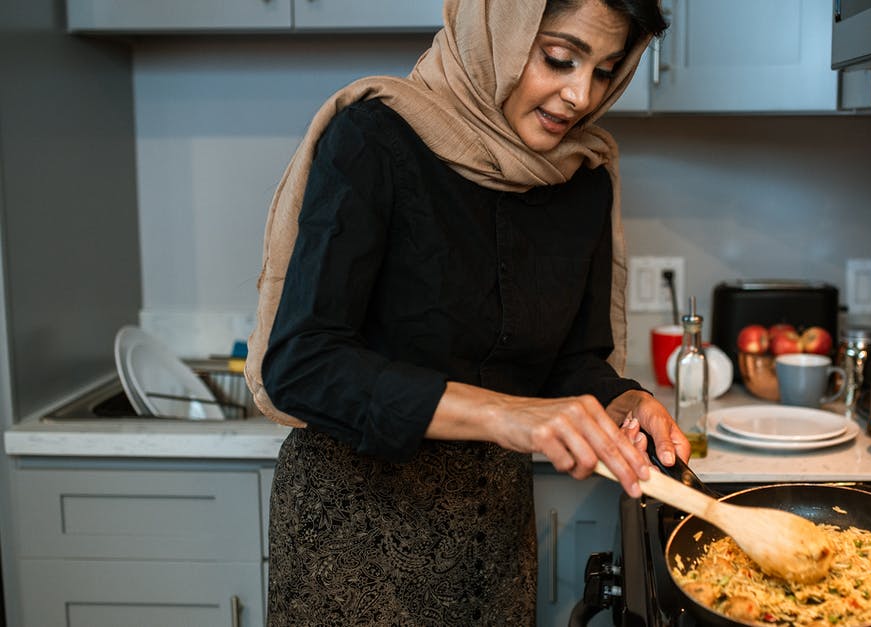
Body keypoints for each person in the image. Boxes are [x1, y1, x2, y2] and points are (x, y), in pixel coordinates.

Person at [242, 0, 683, 623]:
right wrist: (505, 414)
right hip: (353, 536)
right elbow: (302, 365)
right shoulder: (375, 138)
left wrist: (623, 405)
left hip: (494, 536)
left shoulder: (584, 178)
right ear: (496, 27)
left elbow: (574, 363)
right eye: (559, 58)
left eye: (607, 71)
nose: (580, 95)